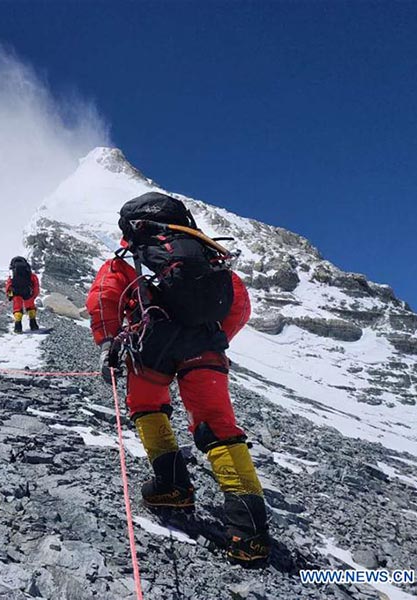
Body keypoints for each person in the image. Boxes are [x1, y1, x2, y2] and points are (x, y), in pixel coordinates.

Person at [85, 191, 270, 565]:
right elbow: (238, 303)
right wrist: (213, 343)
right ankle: (250, 534)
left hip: (150, 349)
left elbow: (104, 297)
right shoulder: (205, 255)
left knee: (147, 407)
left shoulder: (130, 259)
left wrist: (108, 345)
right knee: (217, 426)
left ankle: (172, 487)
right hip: (203, 346)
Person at [6, 256, 40, 333]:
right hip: (28, 292)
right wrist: (34, 295)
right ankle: (33, 324)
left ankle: (18, 327)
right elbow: (36, 284)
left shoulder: (13, 274)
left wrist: (9, 294)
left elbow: (9, 284)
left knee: (17, 308)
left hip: (16, 292)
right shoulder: (29, 273)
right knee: (30, 307)